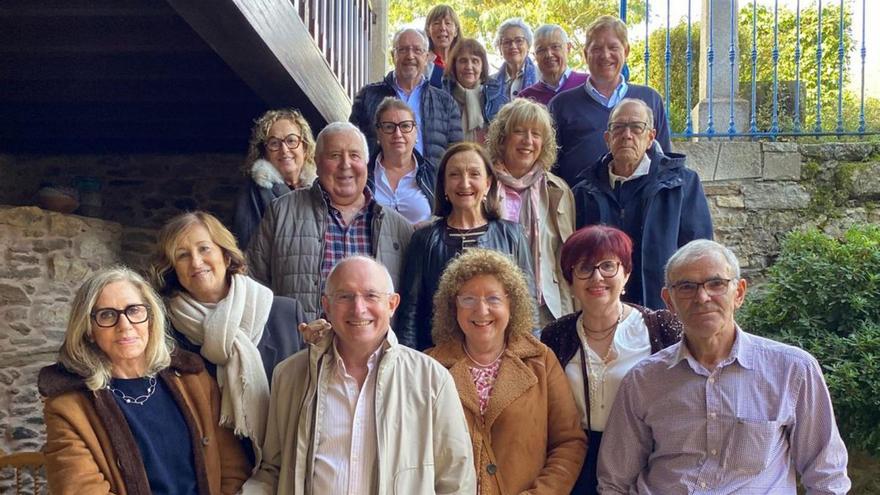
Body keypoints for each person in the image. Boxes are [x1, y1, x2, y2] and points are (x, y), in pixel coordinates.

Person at [598, 240, 851, 494]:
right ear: (669, 301)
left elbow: (827, 477)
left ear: (739, 293)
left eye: (716, 284)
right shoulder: (644, 380)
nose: (702, 297)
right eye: (686, 287)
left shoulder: (792, 370)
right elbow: (615, 482)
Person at [243, 256, 476, 494]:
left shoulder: (431, 380)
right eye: (345, 296)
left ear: (392, 304)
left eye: (371, 296)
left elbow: (456, 481)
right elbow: (273, 470)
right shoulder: (290, 376)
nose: (358, 308)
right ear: (327, 305)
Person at [39, 267, 251, 495]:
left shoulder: (193, 380)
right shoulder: (68, 406)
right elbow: (80, 489)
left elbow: (232, 469)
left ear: (150, 319)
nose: (125, 325)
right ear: (89, 330)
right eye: (107, 315)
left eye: (134, 310)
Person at [151, 211, 307, 464]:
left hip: (286, 462)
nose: (196, 262)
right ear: (172, 269)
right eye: (182, 255)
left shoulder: (285, 314)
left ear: (225, 255)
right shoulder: (164, 331)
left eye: (204, 248)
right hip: (212, 468)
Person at [426, 248, 586, 494]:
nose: (481, 310)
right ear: (453, 306)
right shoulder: (428, 367)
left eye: (493, 299)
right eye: (468, 299)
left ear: (511, 304)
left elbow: (568, 443)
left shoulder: (541, 360)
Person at [540, 225, 681, 494]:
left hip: (644, 459)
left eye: (608, 266)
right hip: (575, 463)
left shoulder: (659, 328)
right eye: (584, 268)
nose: (597, 277)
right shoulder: (556, 335)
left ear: (626, 273)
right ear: (570, 280)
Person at [248, 122, 414, 321]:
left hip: (374, 341)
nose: (345, 164)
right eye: (334, 155)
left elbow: (411, 308)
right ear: (317, 162)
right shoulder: (280, 212)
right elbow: (253, 285)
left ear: (366, 162)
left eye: (354, 155)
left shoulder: (400, 229)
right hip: (299, 340)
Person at [572, 98, 712, 310]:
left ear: (650, 137)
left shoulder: (681, 185)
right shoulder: (584, 192)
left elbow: (699, 252)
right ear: (607, 138)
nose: (627, 135)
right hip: (603, 312)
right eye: (618, 127)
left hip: (664, 308)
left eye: (636, 127)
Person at [398, 142, 534, 350]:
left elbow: (527, 306)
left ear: (488, 183)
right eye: (454, 175)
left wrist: (529, 357)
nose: (464, 183)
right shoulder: (424, 240)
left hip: (500, 356)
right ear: (444, 185)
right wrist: (411, 361)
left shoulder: (512, 235)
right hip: (439, 357)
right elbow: (410, 313)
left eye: (474, 174)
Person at [549, 15, 672, 186]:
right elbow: (550, 168)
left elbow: (665, 163)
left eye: (613, 47)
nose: (605, 55)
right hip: (580, 201)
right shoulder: (561, 105)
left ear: (626, 51)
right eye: (597, 48)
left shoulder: (650, 99)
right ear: (585, 54)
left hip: (642, 202)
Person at [487, 98, 575, 324]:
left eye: (536, 134)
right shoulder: (483, 185)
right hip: (491, 306)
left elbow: (566, 258)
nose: (528, 141)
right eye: (519, 131)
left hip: (546, 308)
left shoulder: (558, 190)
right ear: (502, 138)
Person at [350, 27, 463, 167]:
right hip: (379, 179)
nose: (410, 56)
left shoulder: (446, 103)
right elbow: (352, 144)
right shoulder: (368, 97)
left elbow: (456, 155)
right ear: (393, 55)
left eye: (417, 50)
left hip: (430, 180)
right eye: (403, 50)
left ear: (426, 57)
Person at [232, 109, 317, 247]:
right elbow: (247, 246)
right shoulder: (254, 191)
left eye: (291, 140)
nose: (284, 150)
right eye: (274, 143)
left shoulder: (320, 189)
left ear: (305, 148)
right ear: (264, 153)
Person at [368, 97, 435, 226]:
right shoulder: (364, 174)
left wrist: (430, 226)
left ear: (416, 132)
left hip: (420, 239)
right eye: (389, 127)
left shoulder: (434, 174)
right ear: (378, 133)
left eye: (405, 126)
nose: (397, 134)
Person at [442, 38, 508, 143]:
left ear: (482, 67)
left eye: (475, 61)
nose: (469, 66)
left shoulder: (497, 101)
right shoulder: (442, 100)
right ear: (454, 66)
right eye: (463, 61)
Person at [518, 24, 588, 105]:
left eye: (555, 47)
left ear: (568, 48)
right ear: (535, 56)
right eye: (541, 50)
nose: (549, 54)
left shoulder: (589, 84)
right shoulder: (526, 98)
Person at [493, 18, 538, 100]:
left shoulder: (542, 78)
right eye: (507, 42)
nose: (513, 46)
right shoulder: (491, 84)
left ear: (528, 45)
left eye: (519, 41)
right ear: (500, 48)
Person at [425, 4, 462, 88]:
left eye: (448, 23)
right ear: (428, 31)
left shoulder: (464, 61)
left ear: (456, 31)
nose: (442, 28)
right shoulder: (423, 63)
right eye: (436, 23)